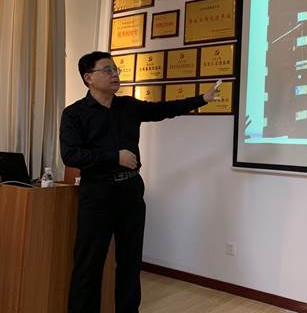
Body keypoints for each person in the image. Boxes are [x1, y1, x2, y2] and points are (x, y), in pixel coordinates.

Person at [60, 51, 220, 313]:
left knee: (130, 263)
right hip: (97, 194)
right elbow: (71, 155)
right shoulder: (74, 114)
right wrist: (115, 157)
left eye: (116, 69)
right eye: (107, 70)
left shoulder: (128, 106)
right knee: (88, 264)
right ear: (89, 78)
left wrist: (202, 99)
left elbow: (163, 109)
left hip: (131, 192)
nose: (115, 74)